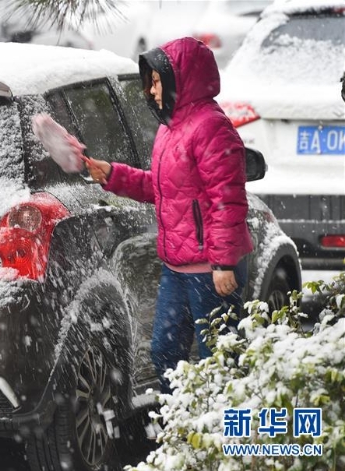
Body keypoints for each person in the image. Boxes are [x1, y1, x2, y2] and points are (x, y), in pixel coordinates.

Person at [83, 37, 253, 394]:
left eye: (157, 81)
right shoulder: (170, 129)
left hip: (211, 269)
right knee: (165, 354)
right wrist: (113, 174)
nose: (151, 90)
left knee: (218, 360)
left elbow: (228, 199)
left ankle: (221, 441)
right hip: (177, 266)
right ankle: (185, 428)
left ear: (181, 78)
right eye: (151, 82)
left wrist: (223, 262)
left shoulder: (211, 128)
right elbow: (162, 190)